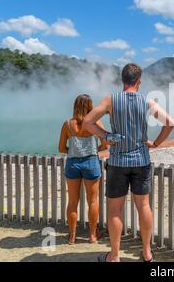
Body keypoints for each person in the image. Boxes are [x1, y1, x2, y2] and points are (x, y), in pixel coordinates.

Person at [83, 63, 174, 262]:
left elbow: (87, 122)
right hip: (141, 161)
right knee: (143, 206)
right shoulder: (147, 101)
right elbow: (170, 122)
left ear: (122, 80)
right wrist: (156, 143)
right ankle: (147, 252)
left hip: (117, 162)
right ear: (139, 81)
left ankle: (114, 256)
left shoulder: (111, 100)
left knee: (115, 210)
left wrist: (105, 136)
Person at [58, 94, 109, 245]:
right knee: (92, 201)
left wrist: (75, 152)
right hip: (91, 162)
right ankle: (92, 236)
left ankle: (72, 236)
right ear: (90, 106)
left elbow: (61, 148)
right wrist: (92, 150)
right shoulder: (96, 123)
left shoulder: (67, 124)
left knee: (73, 202)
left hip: (73, 163)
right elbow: (105, 145)